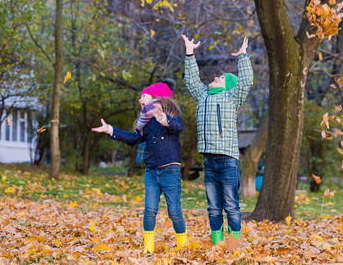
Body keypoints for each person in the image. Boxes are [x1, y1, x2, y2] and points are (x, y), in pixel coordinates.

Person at [91, 79, 187, 253]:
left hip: (169, 169)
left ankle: (183, 247)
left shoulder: (171, 113)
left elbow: (178, 128)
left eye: (143, 96)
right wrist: (110, 130)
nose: (139, 100)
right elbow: (134, 138)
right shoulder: (146, 121)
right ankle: (148, 249)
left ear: (154, 96)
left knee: (174, 211)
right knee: (150, 210)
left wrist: (163, 117)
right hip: (151, 170)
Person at [181, 35, 253, 245]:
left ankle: (234, 245)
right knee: (213, 208)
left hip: (228, 161)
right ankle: (217, 244)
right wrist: (189, 52)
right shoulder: (203, 95)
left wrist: (244, 57)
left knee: (231, 206)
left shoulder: (232, 97)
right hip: (209, 162)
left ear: (229, 86)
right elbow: (191, 80)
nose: (215, 77)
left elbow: (246, 81)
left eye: (221, 78)